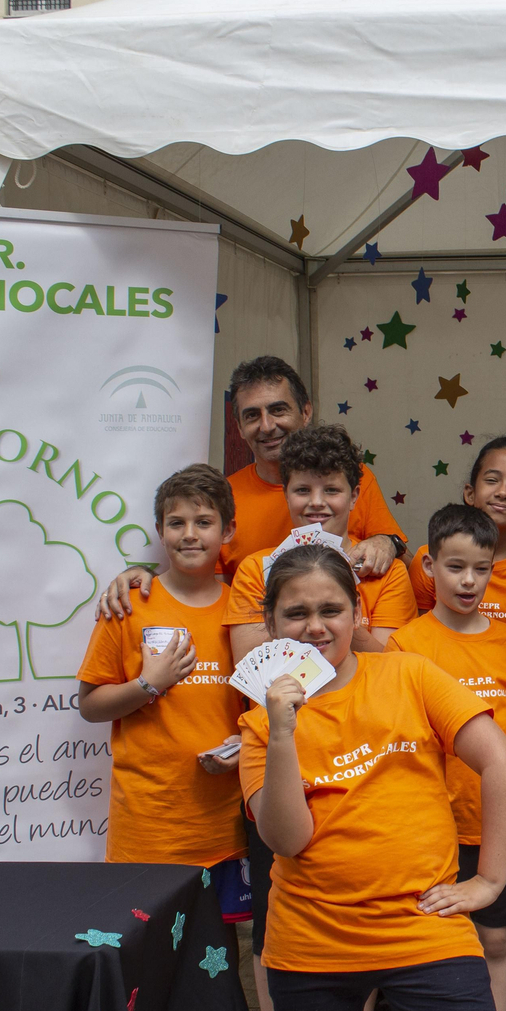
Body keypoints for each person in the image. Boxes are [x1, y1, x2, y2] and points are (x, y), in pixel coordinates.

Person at [239, 544, 506, 1011]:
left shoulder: (408, 674)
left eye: (331, 610)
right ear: (270, 623)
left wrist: (490, 881)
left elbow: (502, 761)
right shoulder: (260, 724)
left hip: (424, 928)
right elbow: (286, 841)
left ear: (358, 612)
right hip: (312, 941)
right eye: (296, 613)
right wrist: (283, 734)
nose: (315, 627)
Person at [95, 356, 407, 618]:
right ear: (240, 428)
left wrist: (389, 542)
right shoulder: (222, 498)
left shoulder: (355, 478)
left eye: (278, 410)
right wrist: (146, 578)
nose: (267, 426)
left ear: (306, 412)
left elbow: (402, 564)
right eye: (252, 415)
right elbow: (200, 588)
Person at [388, 505, 506, 1011]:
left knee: (495, 940)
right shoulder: (407, 645)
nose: (469, 581)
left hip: (498, 825)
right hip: (432, 827)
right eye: (455, 567)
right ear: (428, 566)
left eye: (482, 568)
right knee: (433, 942)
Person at [76, 463, 247, 903]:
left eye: (204, 522)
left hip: (226, 827)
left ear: (227, 531)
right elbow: (91, 706)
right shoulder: (130, 606)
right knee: (145, 960)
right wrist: (148, 685)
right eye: (177, 523)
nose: (190, 534)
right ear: (160, 530)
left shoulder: (244, 613)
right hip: (148, 827)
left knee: (218, 960)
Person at [226, 424, 416, 662]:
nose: (316, 502)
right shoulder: (255, 570)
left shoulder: (388, 573)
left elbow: (391, 667)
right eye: (303, 490)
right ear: (286, 494)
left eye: (331, 490)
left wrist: (337, 596)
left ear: (354, 496)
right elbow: (250, 667)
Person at [411, 437, 506, 639]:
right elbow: (417, 639)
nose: (503, 492)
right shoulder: (430, 559)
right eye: (492, 480)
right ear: (470, 493)